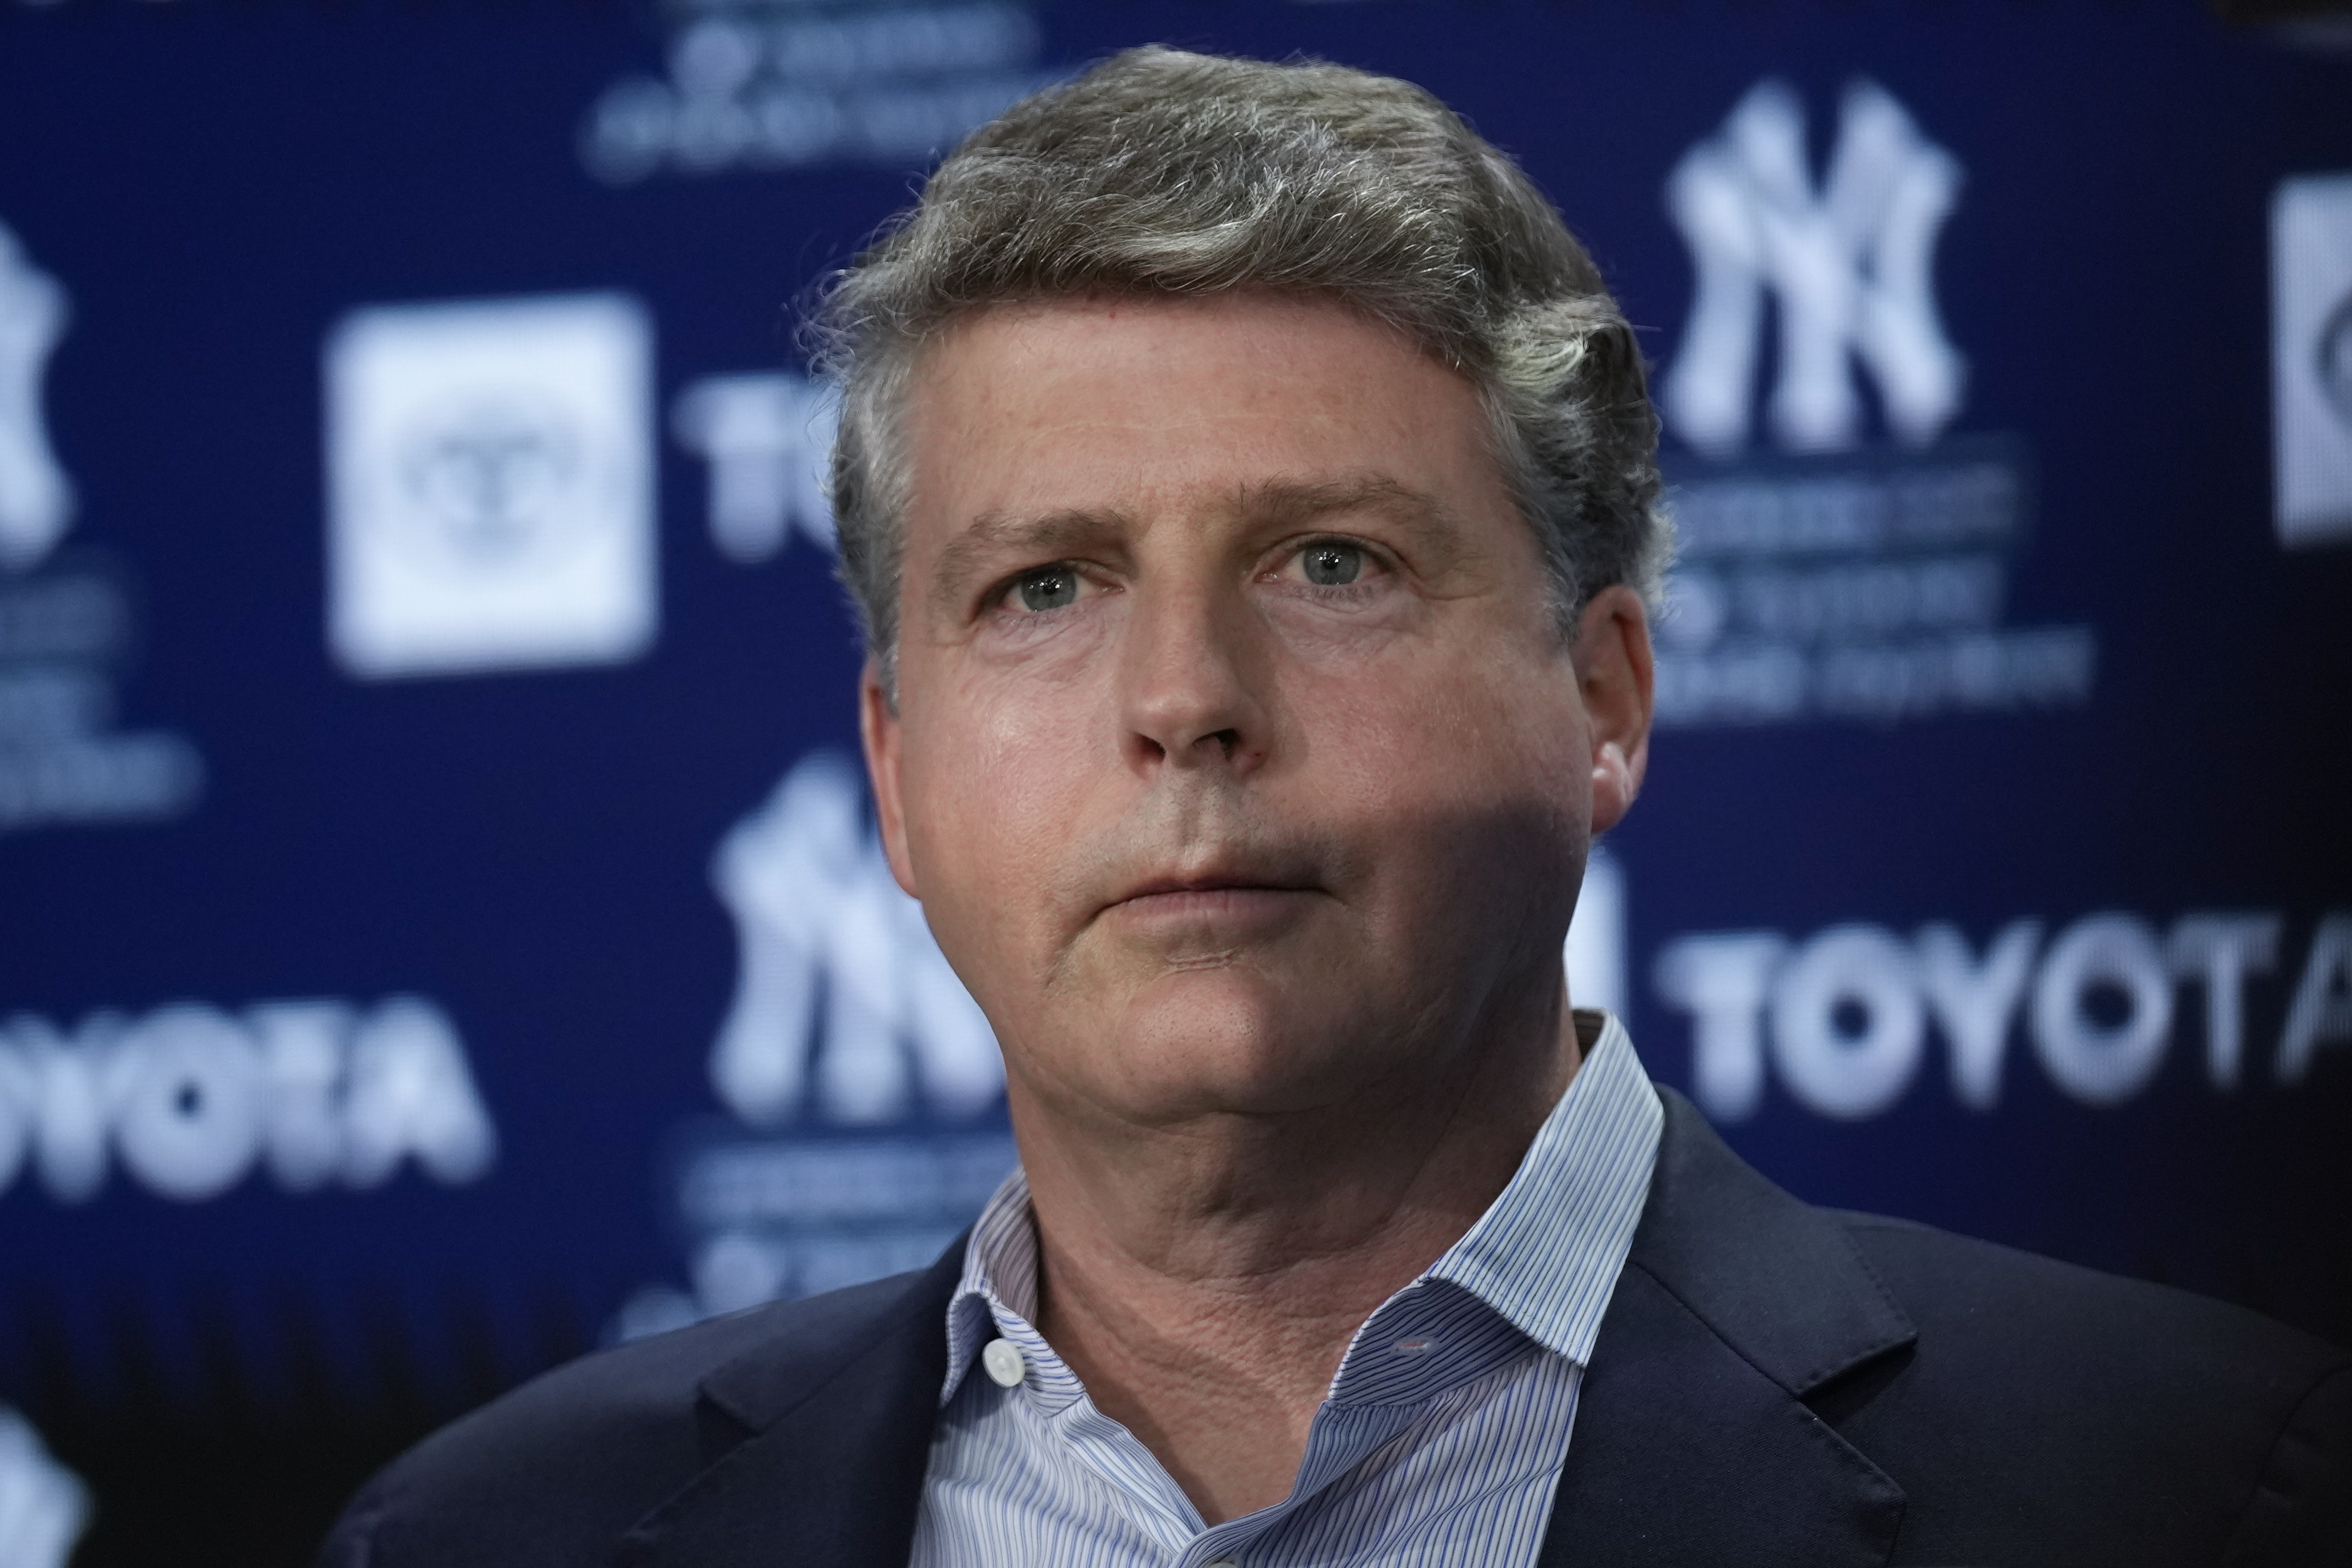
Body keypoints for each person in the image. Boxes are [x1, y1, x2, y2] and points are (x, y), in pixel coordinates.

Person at [319, 47, 2351, 1567]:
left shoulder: (2195, 1489)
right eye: (1046, 586)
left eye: (1330, 563)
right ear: (895, 775)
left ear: (1602, 696)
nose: (1188, 700)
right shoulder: (486, 1537)